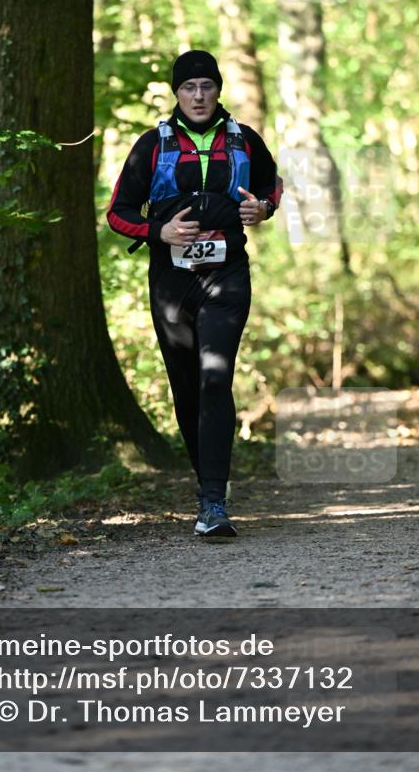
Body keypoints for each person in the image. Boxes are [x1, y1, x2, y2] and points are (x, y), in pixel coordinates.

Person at [107, 50, 283, 538]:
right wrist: (157, 233)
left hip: (226, 276)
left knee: (213, 378)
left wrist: (262, 210)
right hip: (171, 282)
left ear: (218, 89)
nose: (199, 95)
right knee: (186, 389)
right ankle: (208, 481)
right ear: (177, 93)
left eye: (207, 86)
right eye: (189, 87)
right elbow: (118, 212)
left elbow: (271, 187)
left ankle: (212, 502)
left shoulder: (244, 140)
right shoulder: (153, 145)